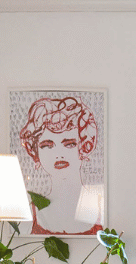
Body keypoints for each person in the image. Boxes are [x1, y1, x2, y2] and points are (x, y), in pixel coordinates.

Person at [17, 95, 101, 235]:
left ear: (85, 146)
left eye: (69, 144)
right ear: (35, 151)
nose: (59, 154)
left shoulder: (101, 207)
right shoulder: (30, 214)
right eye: (47, 146)